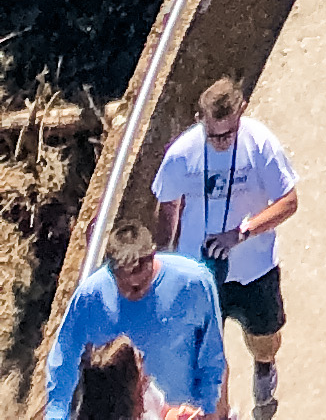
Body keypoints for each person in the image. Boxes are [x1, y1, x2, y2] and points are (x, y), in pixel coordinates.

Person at [152, 77, 297, 420]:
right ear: (200, 119)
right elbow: (168, 208)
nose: (220, 142)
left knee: (265, 340)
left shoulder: (260, 144)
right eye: (212, 135)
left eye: (228, 134)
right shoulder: (181, 154)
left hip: (254, 268)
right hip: (200, 272)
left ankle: (264, 365)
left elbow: (289, 201)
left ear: (241, 113)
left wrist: (241, 232)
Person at [45, 216, 227, 420]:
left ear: (152, 257)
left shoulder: (195, 282)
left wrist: (208, 409)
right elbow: (64, 357)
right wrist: (56, 415)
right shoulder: (90, 296)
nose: (133, 293)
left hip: (173, 408)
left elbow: (211, 355)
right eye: (125, 286)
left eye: (140, 285)